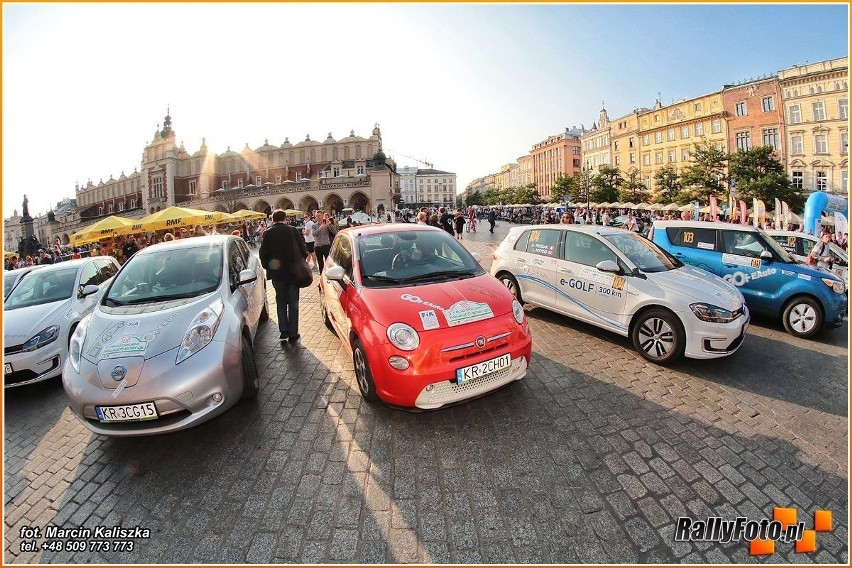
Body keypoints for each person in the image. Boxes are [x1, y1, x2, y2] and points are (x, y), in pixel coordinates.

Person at [259, 209, 309, 345]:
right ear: (285, 218)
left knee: (280, 302)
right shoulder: (293, 231)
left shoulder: (268, 233)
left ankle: (283, 331)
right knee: (293, 303)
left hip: (277, 275)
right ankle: (293, 333)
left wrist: (269, 267)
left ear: (273, 219)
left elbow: (262, 254)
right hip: (293, 273)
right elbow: (304, 250)